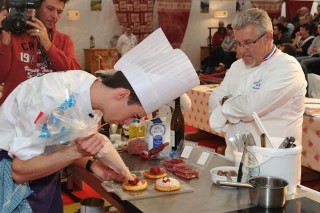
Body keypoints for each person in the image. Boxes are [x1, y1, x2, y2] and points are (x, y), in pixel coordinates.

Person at [0, 28, 200, 212]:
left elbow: (65, 142)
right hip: (12, 175)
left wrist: (102, 167)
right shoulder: (50, 97)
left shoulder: (91, 92)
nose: (130, 123)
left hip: (46, 172)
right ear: (122, 95)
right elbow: (19, 171)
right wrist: (76, 151)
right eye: (134, 116)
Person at [208, 8, 307, 160]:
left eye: (248, 43)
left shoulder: (287, 67)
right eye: (238, 43)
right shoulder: (237, 66)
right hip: (235, 158)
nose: (241, 50)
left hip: (272, 163)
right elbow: (214, 99)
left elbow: (250, 109)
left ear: (268, 37)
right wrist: (234, 106)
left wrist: (227, 106)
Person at [0, 0, 81, 106]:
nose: (55, 16)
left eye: (59, 12)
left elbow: (76, 77)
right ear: (37, 7)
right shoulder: (10, 35)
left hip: (49, 113)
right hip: (13, 112)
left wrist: (49, 46)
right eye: (50, 9)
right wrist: (5, 41)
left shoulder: (64, 40)